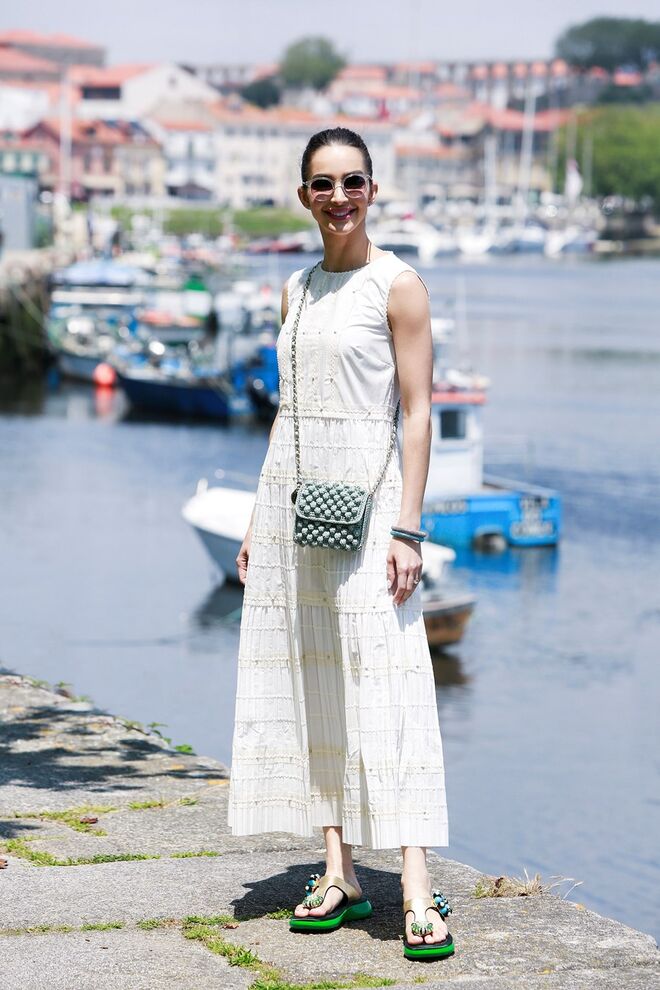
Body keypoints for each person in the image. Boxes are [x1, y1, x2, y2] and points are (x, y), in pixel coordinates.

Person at [229, 126, 453, 961]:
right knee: (313, 678)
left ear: (372, 190)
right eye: (323, 184)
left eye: (352, 181)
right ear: (303, 196)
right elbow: (287, 414)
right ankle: (339, 872)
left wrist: (408, 525)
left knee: (389, 689)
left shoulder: (398, 286)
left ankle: (418, 887)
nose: (338, 197)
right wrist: (258, 520)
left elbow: (419, 412)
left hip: (371, 516)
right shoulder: (295, 288)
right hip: (295, 513)